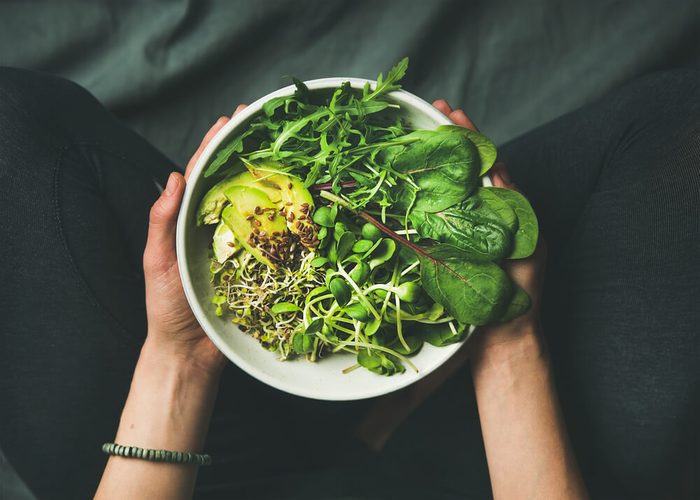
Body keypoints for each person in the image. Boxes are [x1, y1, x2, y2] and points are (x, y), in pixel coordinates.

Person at [0, 67, 697, 499]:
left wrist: (180, 357)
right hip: (484, 467)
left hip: (193, 464)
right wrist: (509, 343)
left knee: (12, 124)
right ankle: (392, 417)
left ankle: (367, 416)